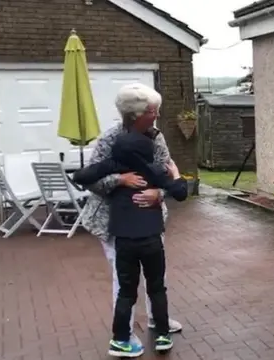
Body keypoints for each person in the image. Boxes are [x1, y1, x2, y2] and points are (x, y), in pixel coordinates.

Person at [80, 83, 183, 348]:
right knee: (124, 281)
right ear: (137, 115)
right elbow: (91, 180)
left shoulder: (157, 137)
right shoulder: (110, 139)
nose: (157, 114)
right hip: (115, 222)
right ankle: (123, 335)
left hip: (150, 221)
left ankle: (157, 321)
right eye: (152, 110)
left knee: (156, 276)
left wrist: (158, 193)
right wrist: (119, 179)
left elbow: (164, 172)